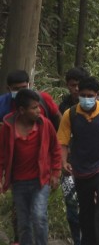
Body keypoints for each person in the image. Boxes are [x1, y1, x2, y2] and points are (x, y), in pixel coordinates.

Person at [58, 76, 99, 245]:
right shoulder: (71, 114)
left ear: (97, 95)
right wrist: (63, 162)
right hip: (80, 169)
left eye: (90, 95)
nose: (87, 99)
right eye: (83, 95)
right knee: (85, 209)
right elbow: (62, 141)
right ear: (78, 94)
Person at [0, 89, 61, 245]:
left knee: (39, 216)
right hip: (18, 182)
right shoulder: (7, 127)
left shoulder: (45, 125)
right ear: (21, 110)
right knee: (23, 222)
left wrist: (55, 172)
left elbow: (55, 148)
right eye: (34, 108)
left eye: (38, 106)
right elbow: (2, 155)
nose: (38, 111)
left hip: (40, 181)